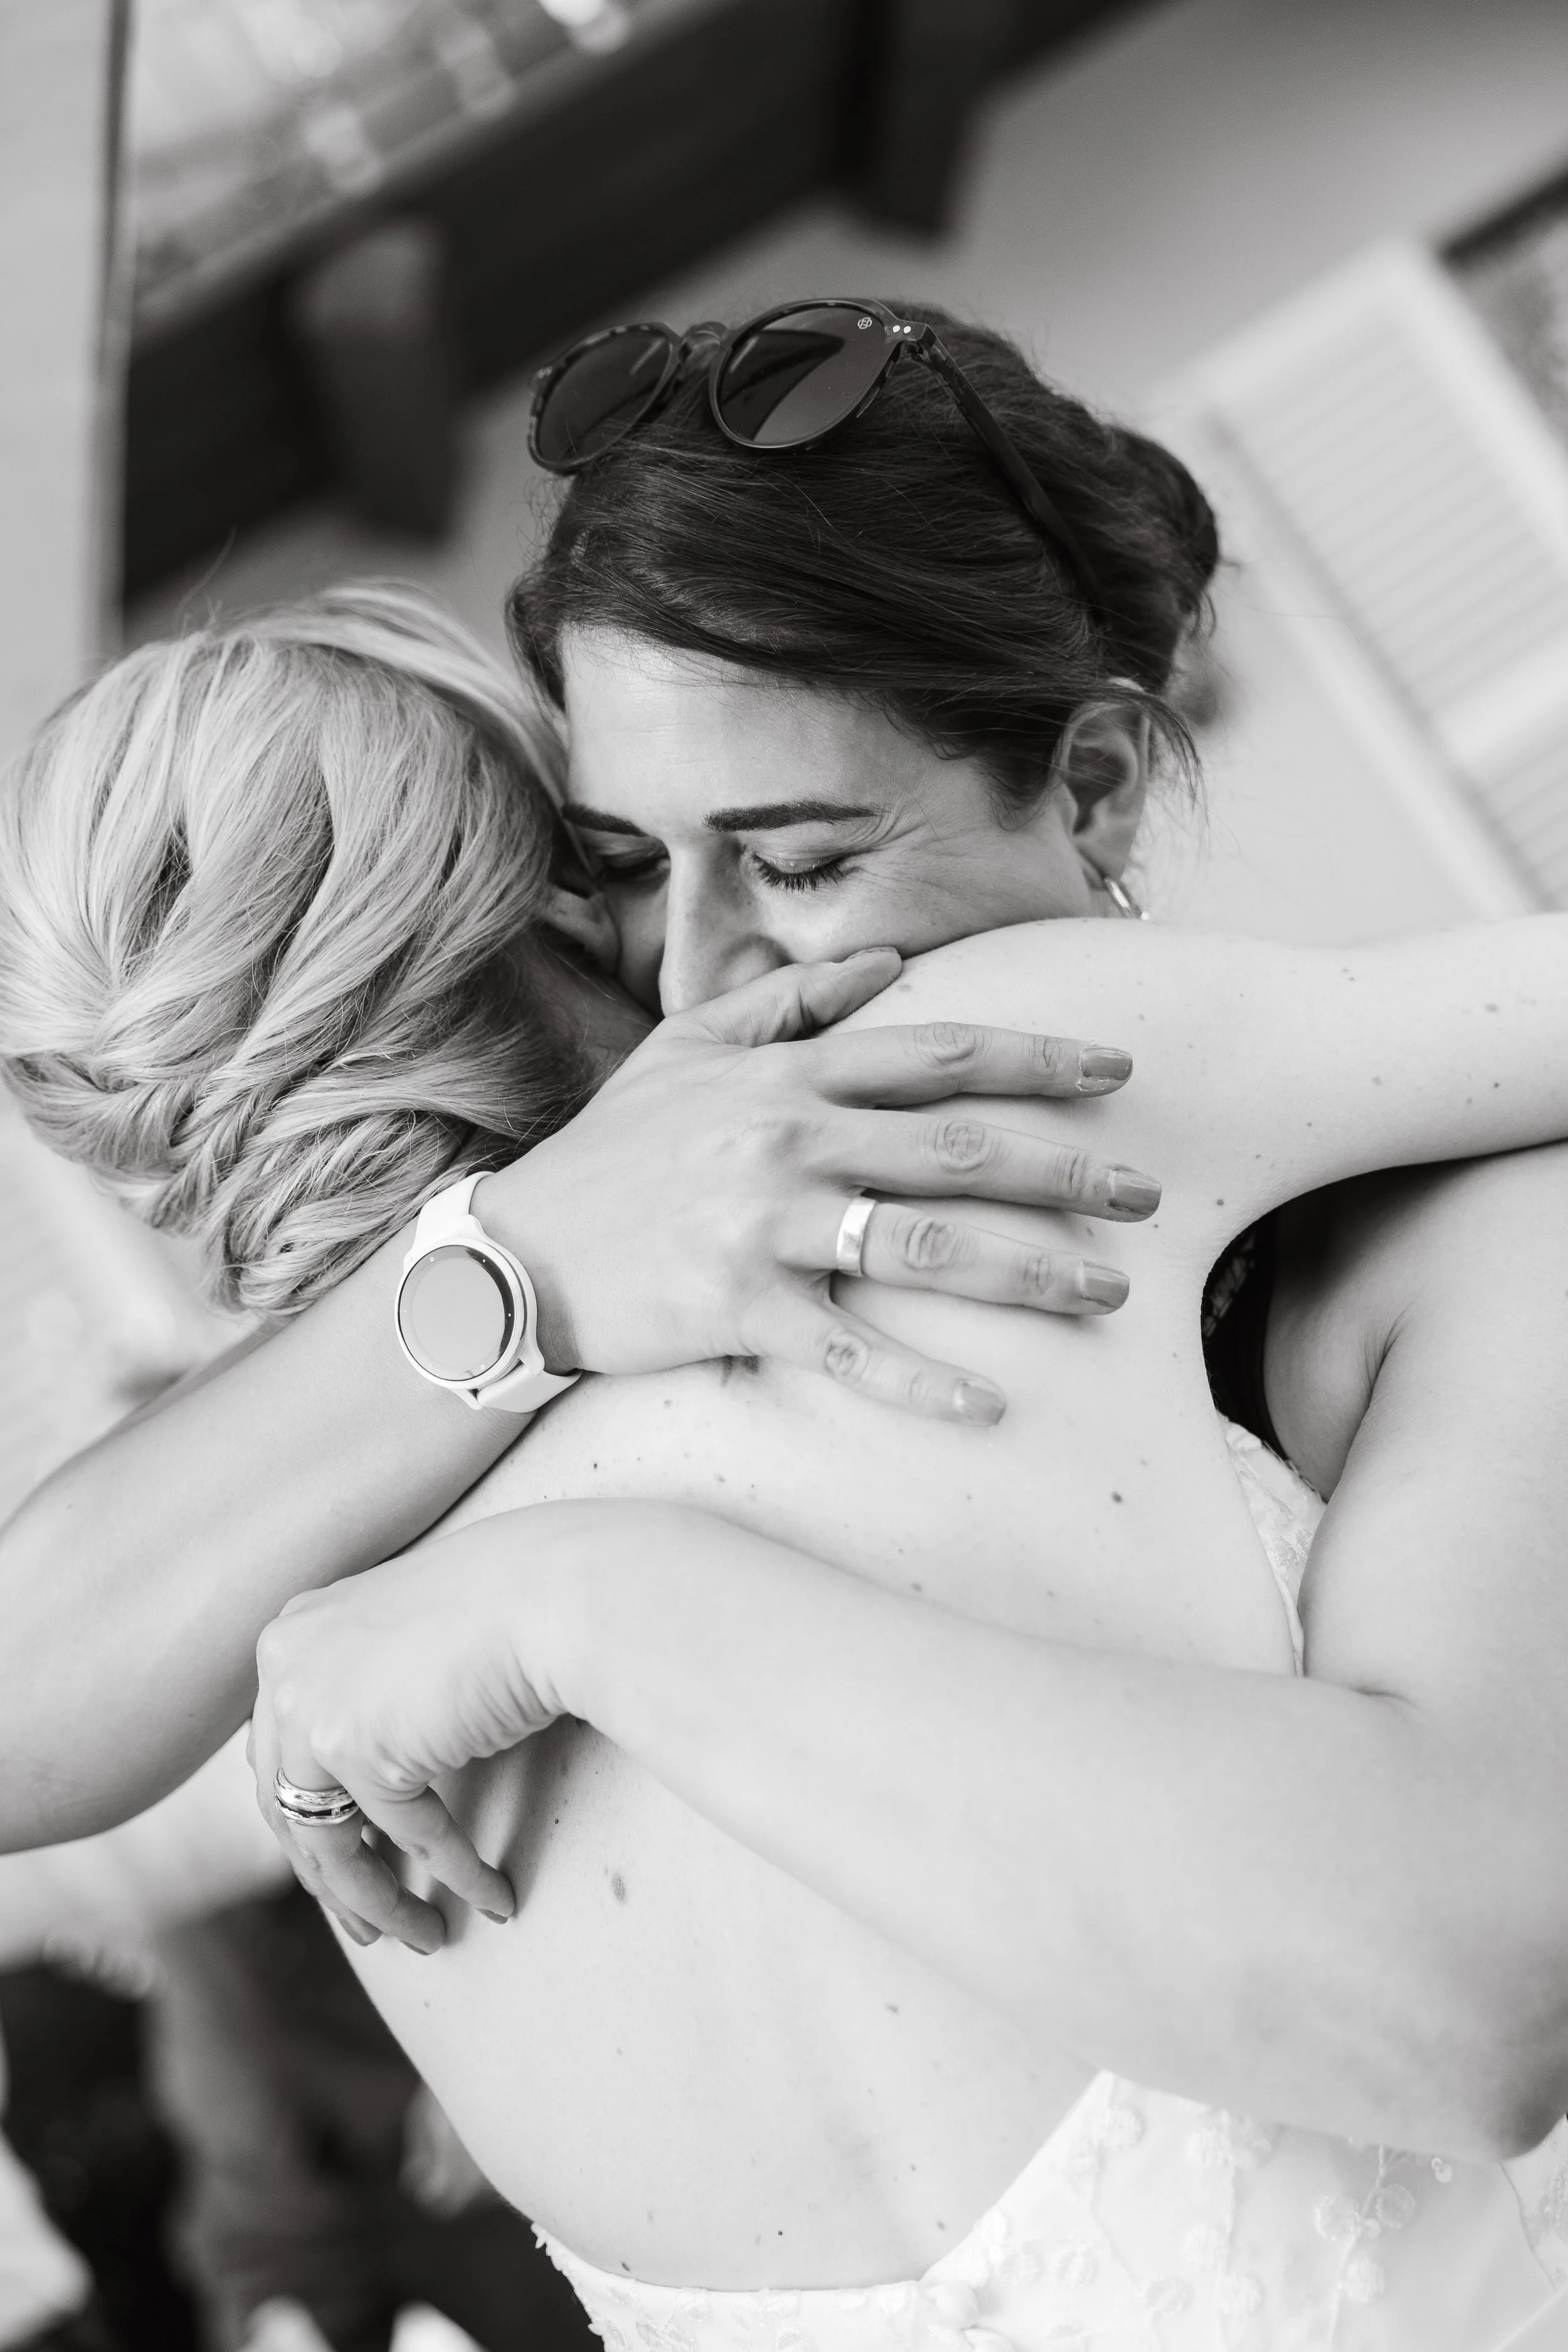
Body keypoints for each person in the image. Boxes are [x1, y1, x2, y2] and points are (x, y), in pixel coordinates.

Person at [6, 305, 1568, 2344]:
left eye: (803, 855)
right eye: (627, 863)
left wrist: (574, 1550)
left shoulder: (327, 1669)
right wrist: (536, 1258)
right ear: (534, 893)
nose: (702, 970)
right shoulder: (939, 1088)